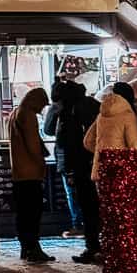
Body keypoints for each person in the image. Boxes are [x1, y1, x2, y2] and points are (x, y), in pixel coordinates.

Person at [57, 81, 101, 265]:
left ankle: (92, 246)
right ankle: (98, 245)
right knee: (97, 207)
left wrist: (70, 170)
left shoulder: (70, 113)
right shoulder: (95, 107)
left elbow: (66, 142)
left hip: (81, 165)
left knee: (88, 206)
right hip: (97, 162)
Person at [8, 87, 52, 263]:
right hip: (30, 171)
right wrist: (41, 163)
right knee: (33, 212)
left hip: (18, 171)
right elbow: (33, 145)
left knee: (23, 212)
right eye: (42, 104)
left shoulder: (15, 113)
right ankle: (33, 247)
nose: (42, 109)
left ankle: (25, 247)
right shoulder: (28, 115)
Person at [43, 80, 83, 238]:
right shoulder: (81, 106)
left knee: (71, 192)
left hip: (65, 155)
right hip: (83, 154)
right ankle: (86, 223)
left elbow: (48, 130)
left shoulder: (57, 109)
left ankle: (77, 224)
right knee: (84, 191)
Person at [83, 87, 137, 183]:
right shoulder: (128, 116)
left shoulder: (101, 116)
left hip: (100, 169)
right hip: (121, 170)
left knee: (104, 197)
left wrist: (101, 153)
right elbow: (135, 146)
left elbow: (87, 141)